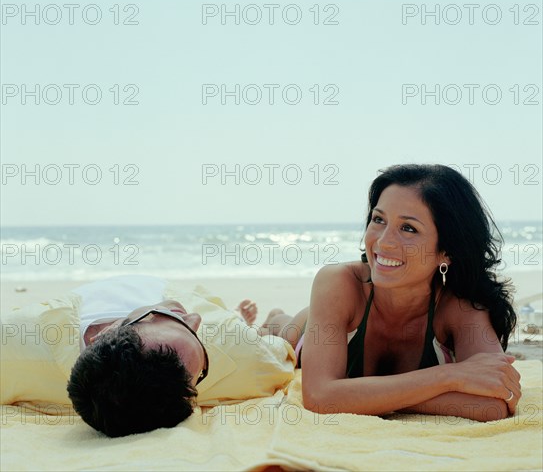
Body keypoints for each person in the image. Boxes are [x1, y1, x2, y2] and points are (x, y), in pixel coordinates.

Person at [273, 164, 521, 422]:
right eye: (379, 219)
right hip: (308, 329)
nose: (383, 242)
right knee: (280, 333)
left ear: (447, 251)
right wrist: (450, 377)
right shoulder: (339, 282)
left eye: (408, 228)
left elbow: (494, 404)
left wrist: (360, 396)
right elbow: (321, 397)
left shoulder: (459, 307)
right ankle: (275, 316)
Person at [1, 276, 295, 437]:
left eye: (172, 318)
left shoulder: (15, 346)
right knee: (261, 328)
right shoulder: (234, 352)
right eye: (202, 366)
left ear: (100, 337)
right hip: (222, 327)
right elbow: (279, 355)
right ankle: (242, 317)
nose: (193, 317)